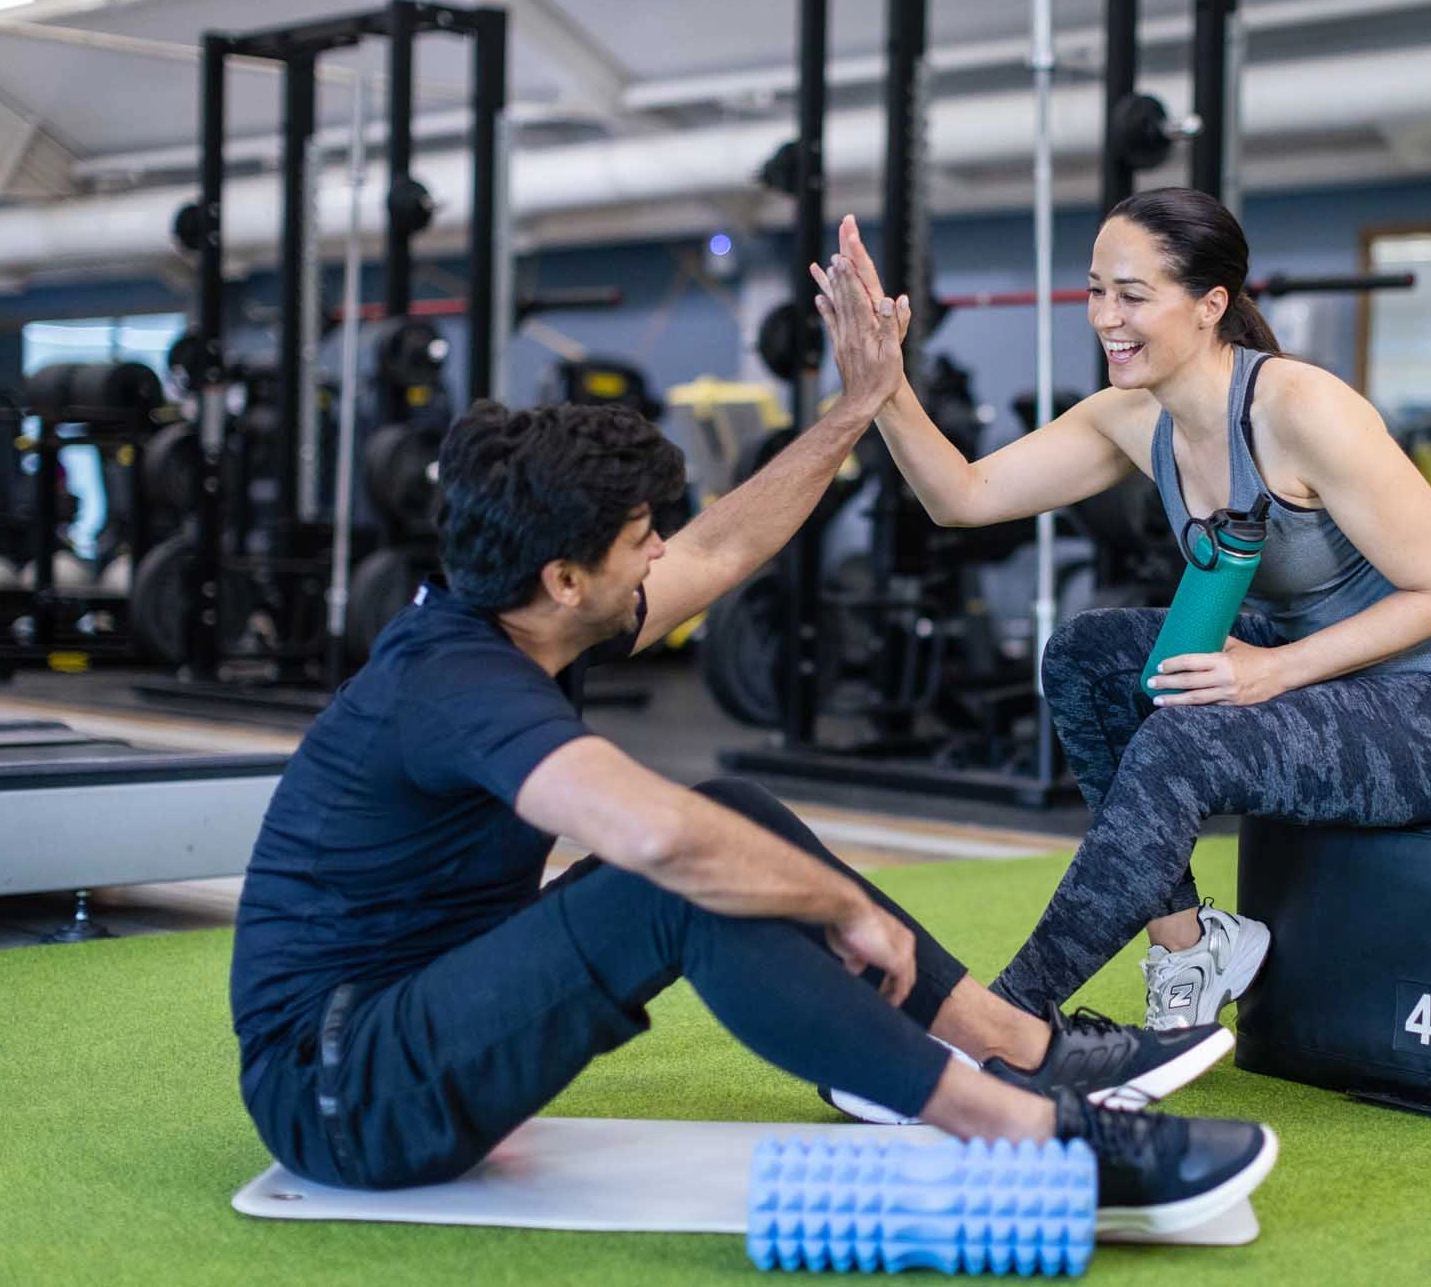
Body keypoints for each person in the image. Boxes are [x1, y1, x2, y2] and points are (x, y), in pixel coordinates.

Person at [226, 224, 1276, 1234]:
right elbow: (658, 840)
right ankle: (1033, 1130)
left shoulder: (524, 615)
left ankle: (1016, 1047)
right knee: (680, 871)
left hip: (413, 1016)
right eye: (635, 544)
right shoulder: (454, 682)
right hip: (342, 1091)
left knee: (729, 814)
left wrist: (856, 405)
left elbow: (714, 556)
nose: (653, 560)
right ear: (563, 578)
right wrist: (845, 912)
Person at [817, 188, 1431, 1030]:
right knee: (1085, 656)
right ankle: (1190, 948)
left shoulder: (1301, 408)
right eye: (1097, 290)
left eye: (1132, 295)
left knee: (1185, 737)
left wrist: (1270, 670)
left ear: (1211, 305)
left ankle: (1001, 1024)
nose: (1106, 316)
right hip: (1337, 668)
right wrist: (882, 389)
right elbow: (962, 494)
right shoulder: (1132, 418)